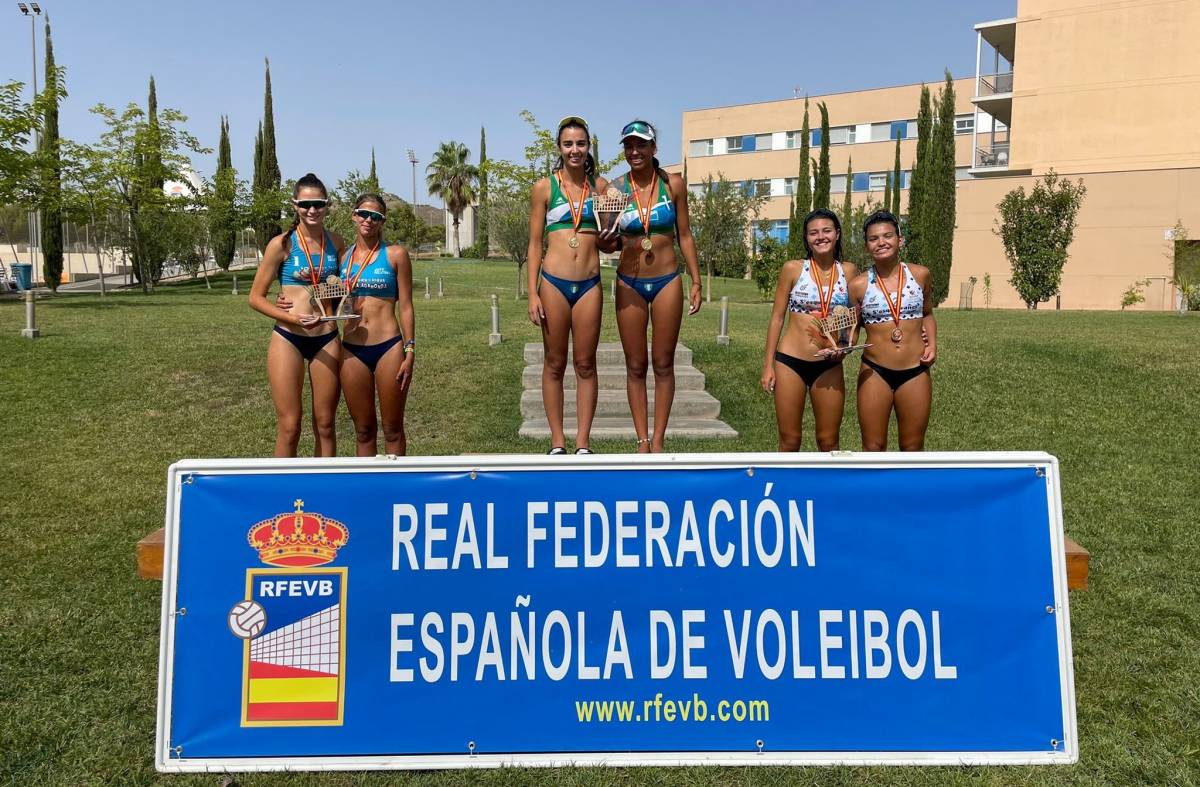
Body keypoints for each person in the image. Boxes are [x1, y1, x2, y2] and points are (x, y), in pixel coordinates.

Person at [603, 120, 702, 453]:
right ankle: (641, 439)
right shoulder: (615, 189)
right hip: (629, 281)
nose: (635, 152)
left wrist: (697, 280)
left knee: (663, 362)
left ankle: (658, 439)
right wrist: (605, 241)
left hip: (667, 280)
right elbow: (609, 244)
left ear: (653, 148)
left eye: (641, 145)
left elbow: (685, 235)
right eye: (629, 146)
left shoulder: (673, 185)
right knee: (635, 364)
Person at [249, 173, 346, 457]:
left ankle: (324, 491)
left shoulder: (337, 243)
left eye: (318, 204)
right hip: (289, 336)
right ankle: (283, 494)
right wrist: (292, 317)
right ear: (294, 205)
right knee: (290, 426)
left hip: (326, 338)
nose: (312, 210)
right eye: (305, 205)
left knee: (326, 424)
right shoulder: (281, 244)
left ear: (327, 205)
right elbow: (255, 297)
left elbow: (342, 292)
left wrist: (339, 291)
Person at [527, 116, 607, 455]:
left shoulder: (602, 188)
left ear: (589, 147)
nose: (575, 150)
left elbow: (608, 241)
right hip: (553, 285)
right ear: (559, 148)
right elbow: (533, 243)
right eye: (568, 144)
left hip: (589, 285)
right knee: (554, 363)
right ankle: (557, 441)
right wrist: (532, 292)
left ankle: (583, 443)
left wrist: (612, 239)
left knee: (586, 363)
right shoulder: (544, 188)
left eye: (581, 143)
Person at [761, 209, 858, 451]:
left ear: (837, 234)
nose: (820, 237)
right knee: (789, 440)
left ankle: (827, 490)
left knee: (828, 442)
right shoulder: (793, 269)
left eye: (826, 231)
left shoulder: (849, 271)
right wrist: (768, 366)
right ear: (806, 238)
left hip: (829, 364)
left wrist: (845, 348)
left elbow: (854, 318)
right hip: (790, 362)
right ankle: (786, 490)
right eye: (813, 233)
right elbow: (776, 318)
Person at [847, 210, 937, 451]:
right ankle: (874, 491)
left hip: (915, 371)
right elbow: (853, 331)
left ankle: (910, 491)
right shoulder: (858, 285)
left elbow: (927, 313)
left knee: (913, 447)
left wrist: (932, 345)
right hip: (875, 372)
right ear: (867, 246)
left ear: (900, 239)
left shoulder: (920, 275)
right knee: (873, 447)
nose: (881, 242)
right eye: (873, 238)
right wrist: (841, 344)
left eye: (887, 236)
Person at [339, 193, 416, 456]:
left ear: (382, 221)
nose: (368, 220)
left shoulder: (395, 255)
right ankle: (368, 492)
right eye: (363, 213)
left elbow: (406, 306)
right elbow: (324, 297)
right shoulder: (342, 258)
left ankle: (397, 491)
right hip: (351, 349)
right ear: (354, 215)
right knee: (363, 430)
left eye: (376, 216)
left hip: (388, 348)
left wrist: (410, 349)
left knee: (393, 427)